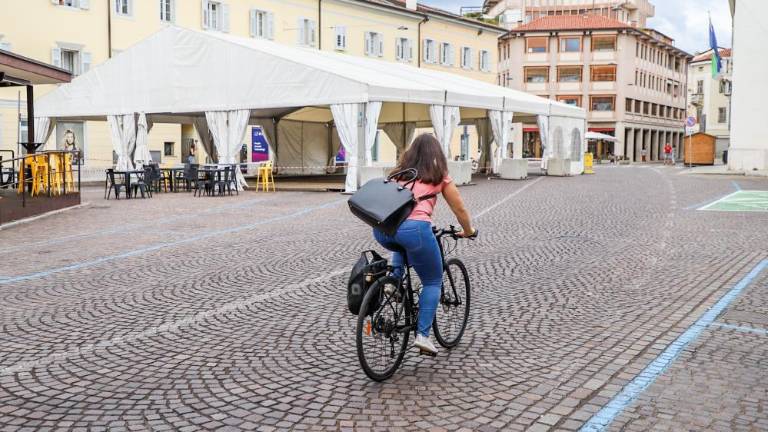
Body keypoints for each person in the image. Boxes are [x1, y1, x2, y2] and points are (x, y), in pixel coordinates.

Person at [373, 134, 476, 355]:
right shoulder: (438, 176)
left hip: (383, 230)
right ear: (436, 155)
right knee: (432, 280)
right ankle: (423, 336)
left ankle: (393, 281)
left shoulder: (398, 174)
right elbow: (459, 208)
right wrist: (468, 231)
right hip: (416, 229)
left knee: (402, 243)